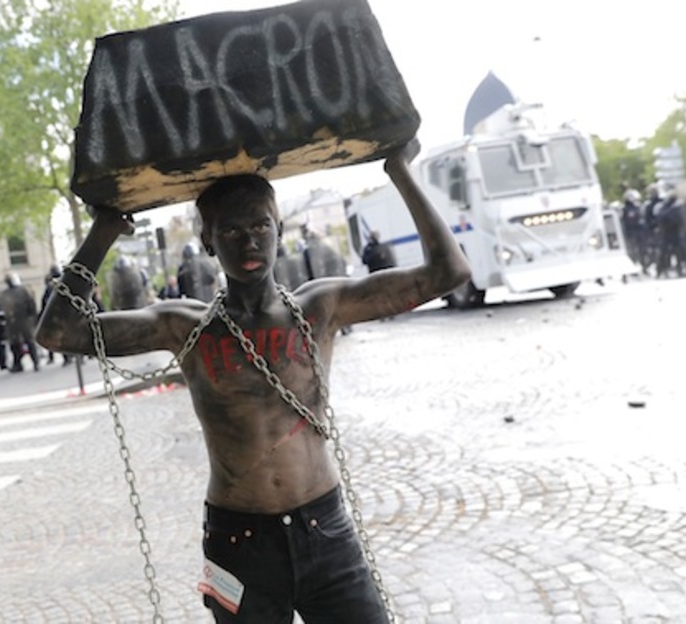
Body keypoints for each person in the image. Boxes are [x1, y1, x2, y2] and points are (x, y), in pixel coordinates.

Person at [36, 146, 471, 623]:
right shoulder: (185, 327)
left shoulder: (320, 308)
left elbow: (449, 273)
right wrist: (103, 231)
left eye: (261, 226)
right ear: (207, 240)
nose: (249, 243)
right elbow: (57, 333)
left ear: (279, 228)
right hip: (238, 545)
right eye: (231, 231)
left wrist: (399, 171)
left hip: (324, 532)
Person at [0, 272, 40, 372]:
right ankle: (21, 363)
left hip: (21, 319)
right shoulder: (7, 293)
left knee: (27, 342)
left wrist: (32, 317)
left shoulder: (21, 291)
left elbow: (31, 305)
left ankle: (33, 362)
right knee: (17, 343)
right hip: (17, 321)